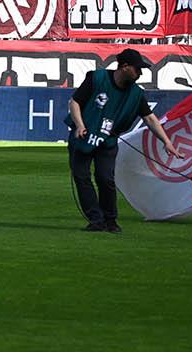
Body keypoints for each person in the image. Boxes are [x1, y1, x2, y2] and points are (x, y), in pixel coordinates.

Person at [67, 48, 176, 232]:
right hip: (83, 137)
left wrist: (167, 142)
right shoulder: (97, 78)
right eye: (137, 69)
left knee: (105, 178)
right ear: (124, 67)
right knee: (81, 177)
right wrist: (79, 125)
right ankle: (96, 219)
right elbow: (75, 102)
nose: (140, 73)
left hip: (107, 141)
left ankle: (110, 220)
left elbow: (149, 118)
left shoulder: (136, 94)